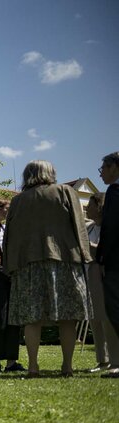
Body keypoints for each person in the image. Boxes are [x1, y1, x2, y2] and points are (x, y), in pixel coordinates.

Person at [4, 160, 91, 377]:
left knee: (31, 318)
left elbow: (9, 236)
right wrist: (85, 255)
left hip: (27, 264)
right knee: (67, 315)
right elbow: (79, 226)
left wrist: (9, 265)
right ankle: (67, 366)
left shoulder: (18, 201)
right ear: (50, 173)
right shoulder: (65, 192)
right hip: (64, 260)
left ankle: (33, 366)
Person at [0, 198, 24, 373]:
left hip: (11, 278)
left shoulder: (7, 229)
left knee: (13, 321)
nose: (9, 212)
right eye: (6, 208)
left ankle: (11, 361)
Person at [85, 193, 119, 375]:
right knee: (95, 319)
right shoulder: (89, 227)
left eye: (90, 205)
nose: (87, 208)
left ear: (99, 206)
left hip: (104, 273)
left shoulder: (109, 227)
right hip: (90, 274)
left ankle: (115, 360)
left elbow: (106, 249)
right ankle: (102, 359)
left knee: (107, 318)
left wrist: (88, 245)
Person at [96, 152, 119, 378]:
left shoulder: (114, 192)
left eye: (103, 167)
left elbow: (111, 228)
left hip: (115, 261)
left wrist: (101, 257)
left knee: (115, 307)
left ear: (114, 167)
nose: (101, 172)